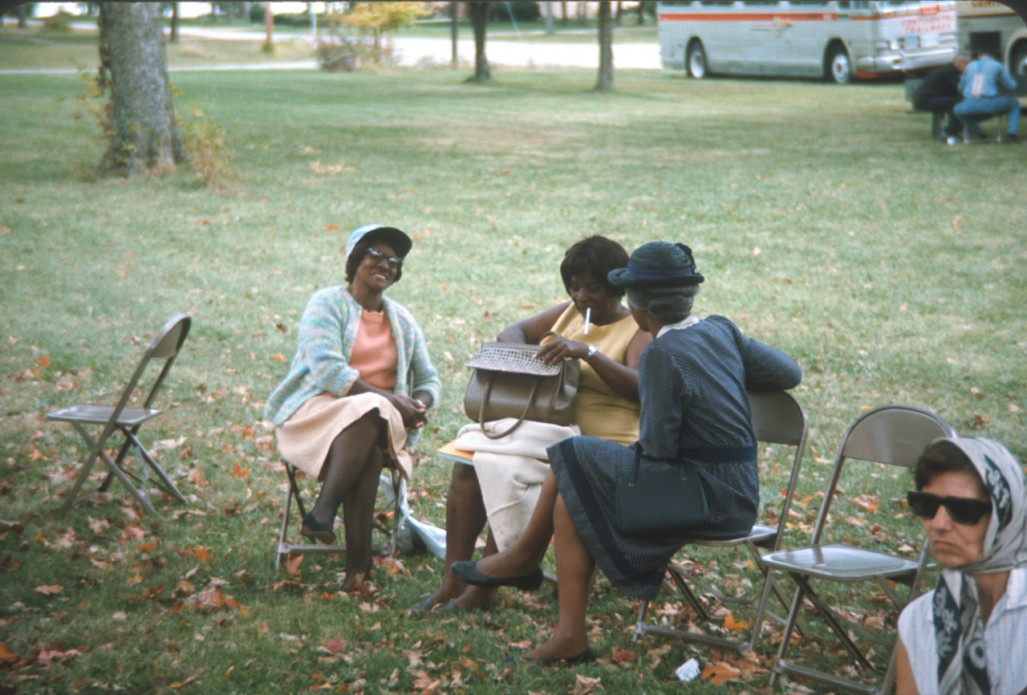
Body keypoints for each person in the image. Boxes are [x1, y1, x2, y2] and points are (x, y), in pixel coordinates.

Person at [457, 241, 802, 663]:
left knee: (573, 453)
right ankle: (570, 636)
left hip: (704, 499)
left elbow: (656, 452)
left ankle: (524, 557)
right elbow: (789, 371)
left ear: (639, 307)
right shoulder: (719, 330)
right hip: (739, 493)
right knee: (572, 480)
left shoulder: (661, 354)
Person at [417, 235, 651, 613]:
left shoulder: (635, 328)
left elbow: (641, 388)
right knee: (469, 466)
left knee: (502, 467)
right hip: (543, 428)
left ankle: (484, 589)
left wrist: (588, 353)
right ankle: (455, 580)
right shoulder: (570, 313)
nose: (582, 297)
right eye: (574, 287)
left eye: (592, 288)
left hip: (600, 441)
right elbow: (511, 333)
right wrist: (530, 356)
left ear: (615, 285)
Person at [265, 224, 441, 589]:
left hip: (378, 420)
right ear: (354, 257)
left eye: (394, 260)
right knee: (372, 425)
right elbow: (328, 370)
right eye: (375, 253)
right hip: (315, 414)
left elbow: (429, 381)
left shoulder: (403, 322)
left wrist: (418, 405)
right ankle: (355, 565)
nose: (385, 264)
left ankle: (324, 518)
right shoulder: (326, 303)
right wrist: (392, 401)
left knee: (372, 415)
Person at [895, 437, 1027, 695]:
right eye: (927, 505)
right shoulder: (917, 621)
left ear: (1005, 516)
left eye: (963, 509)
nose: (939, 523)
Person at [953, 51, 1020, 144]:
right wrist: (999, 81)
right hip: (989, 104)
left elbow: (960, 88)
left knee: (956, 110)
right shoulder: (997, 65)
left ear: (979, 55)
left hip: (969, 105)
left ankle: (979, 133)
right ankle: (1012, 134)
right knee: (1014, 103)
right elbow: (1012, 86)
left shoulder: (969, 66)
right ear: (992, 55)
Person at [912, 54, 969, 140]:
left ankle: (955, 129)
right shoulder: (950, 71)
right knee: (958, 102)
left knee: (956, 100)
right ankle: (951, 131)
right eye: (967, 64)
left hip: (924, 99)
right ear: (961, 63)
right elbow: (959, 89)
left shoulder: (948, 69)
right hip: (925, 101)